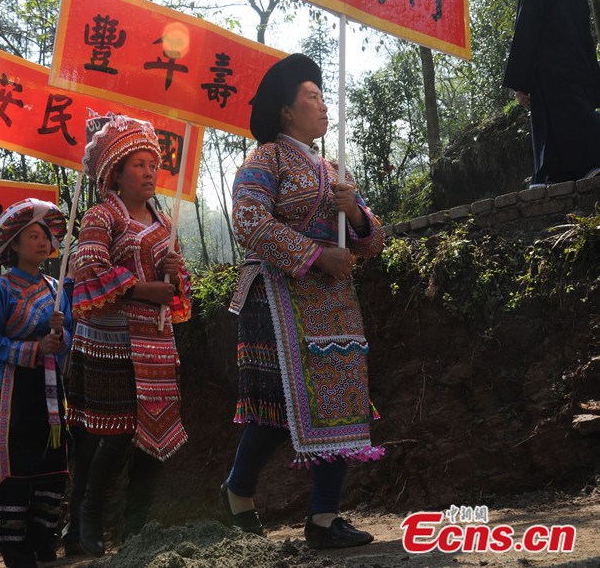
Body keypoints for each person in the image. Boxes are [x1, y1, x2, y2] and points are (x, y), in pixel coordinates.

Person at [222, 54, 385, 549]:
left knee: (339, 396)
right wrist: (315, 254)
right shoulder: (265, 159)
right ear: (286, 112)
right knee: (276, 408)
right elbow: (248, 221)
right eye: (311, 97)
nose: (322, 105)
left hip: (332, 300)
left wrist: (354, 211)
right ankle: (238, 492)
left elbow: (372, 241)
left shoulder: (334, 169)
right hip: (276, 295)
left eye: (322, 96)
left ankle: (323, 519)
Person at [67, 113, 192, 557]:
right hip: (111, 342)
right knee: (116, 433)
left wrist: (176, 277)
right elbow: (88, 270)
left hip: (155, 344)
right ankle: (88, 516)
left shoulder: (163, 222)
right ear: (115, 173)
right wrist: (144, 288)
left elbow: (178, 287)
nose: (148, 172)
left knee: (155, 437)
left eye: (151, 164)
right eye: (137, 165)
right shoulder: (102, 216)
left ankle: (137, 528)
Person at [0, 198, 74, 568]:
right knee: (17, 465)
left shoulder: (55, 287)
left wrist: (59, 339)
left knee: (53, 464)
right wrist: (35, 347)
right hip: (14, 390)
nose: (41, 242)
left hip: (50, 387)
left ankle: (44, 543)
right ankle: (16, 552)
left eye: (45, 236)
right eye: (32, 236)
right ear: (14, 246)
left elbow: (66, 336)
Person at [502, 0, 600, 185]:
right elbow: (587, 40)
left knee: (550, 125)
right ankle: (584, 169)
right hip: (579, 72)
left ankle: (553, 176)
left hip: (548, 75)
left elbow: (525, 37)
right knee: (577, 118)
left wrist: (520, 83)